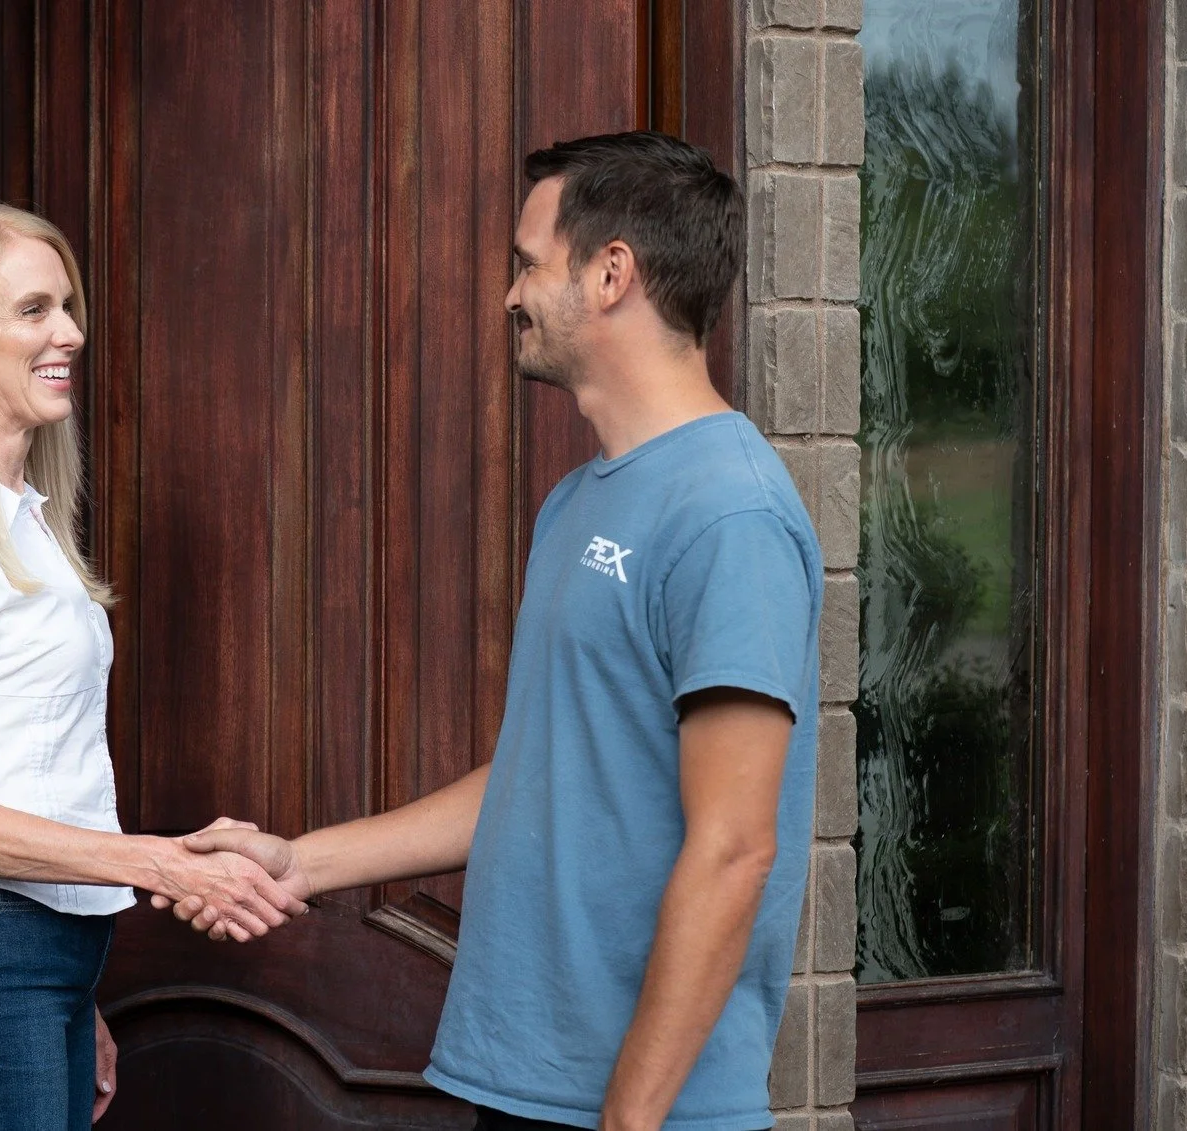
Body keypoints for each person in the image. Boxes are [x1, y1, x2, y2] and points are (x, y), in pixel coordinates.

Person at [157, 131, 822, 1131]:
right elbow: (539, 777)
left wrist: (630, 1119)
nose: (509, 295)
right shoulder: (575, 505)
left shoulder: (729, 514)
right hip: (519, 1080)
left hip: (642, 1110)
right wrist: (297, 861)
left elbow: (735, 849)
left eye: (526, 262)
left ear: (610, 274)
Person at [0, 203, 304, 1131]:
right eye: (35, 309)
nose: (71, 333)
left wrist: (73, 993)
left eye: (68, 306)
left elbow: (31, 765)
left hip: (23, 956)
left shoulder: (20, 522)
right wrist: (159, 864)